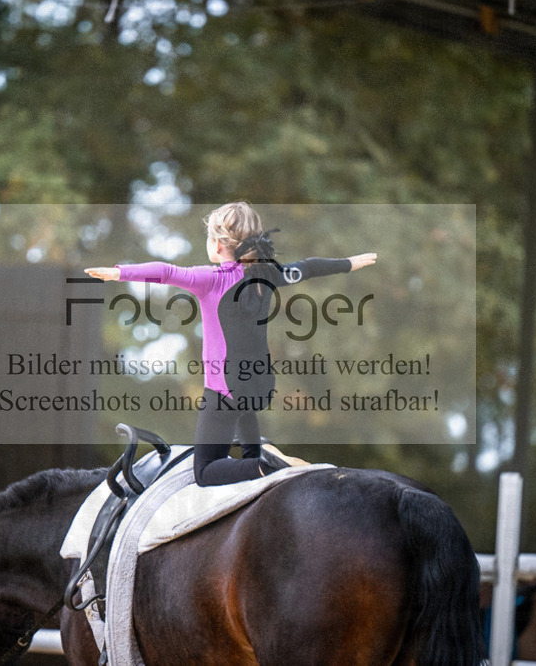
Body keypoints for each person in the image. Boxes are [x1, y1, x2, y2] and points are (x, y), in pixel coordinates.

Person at [85, 201, 377, 486]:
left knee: (206, 472)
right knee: (248, 439)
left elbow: (167, 272)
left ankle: (264, 464)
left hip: (225, 390)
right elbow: (309, 267)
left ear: (218, 244)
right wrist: (349, 263)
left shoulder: (213, 279)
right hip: (258, 386)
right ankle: (260, 459)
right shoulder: (269, 273)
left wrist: (119, 272)